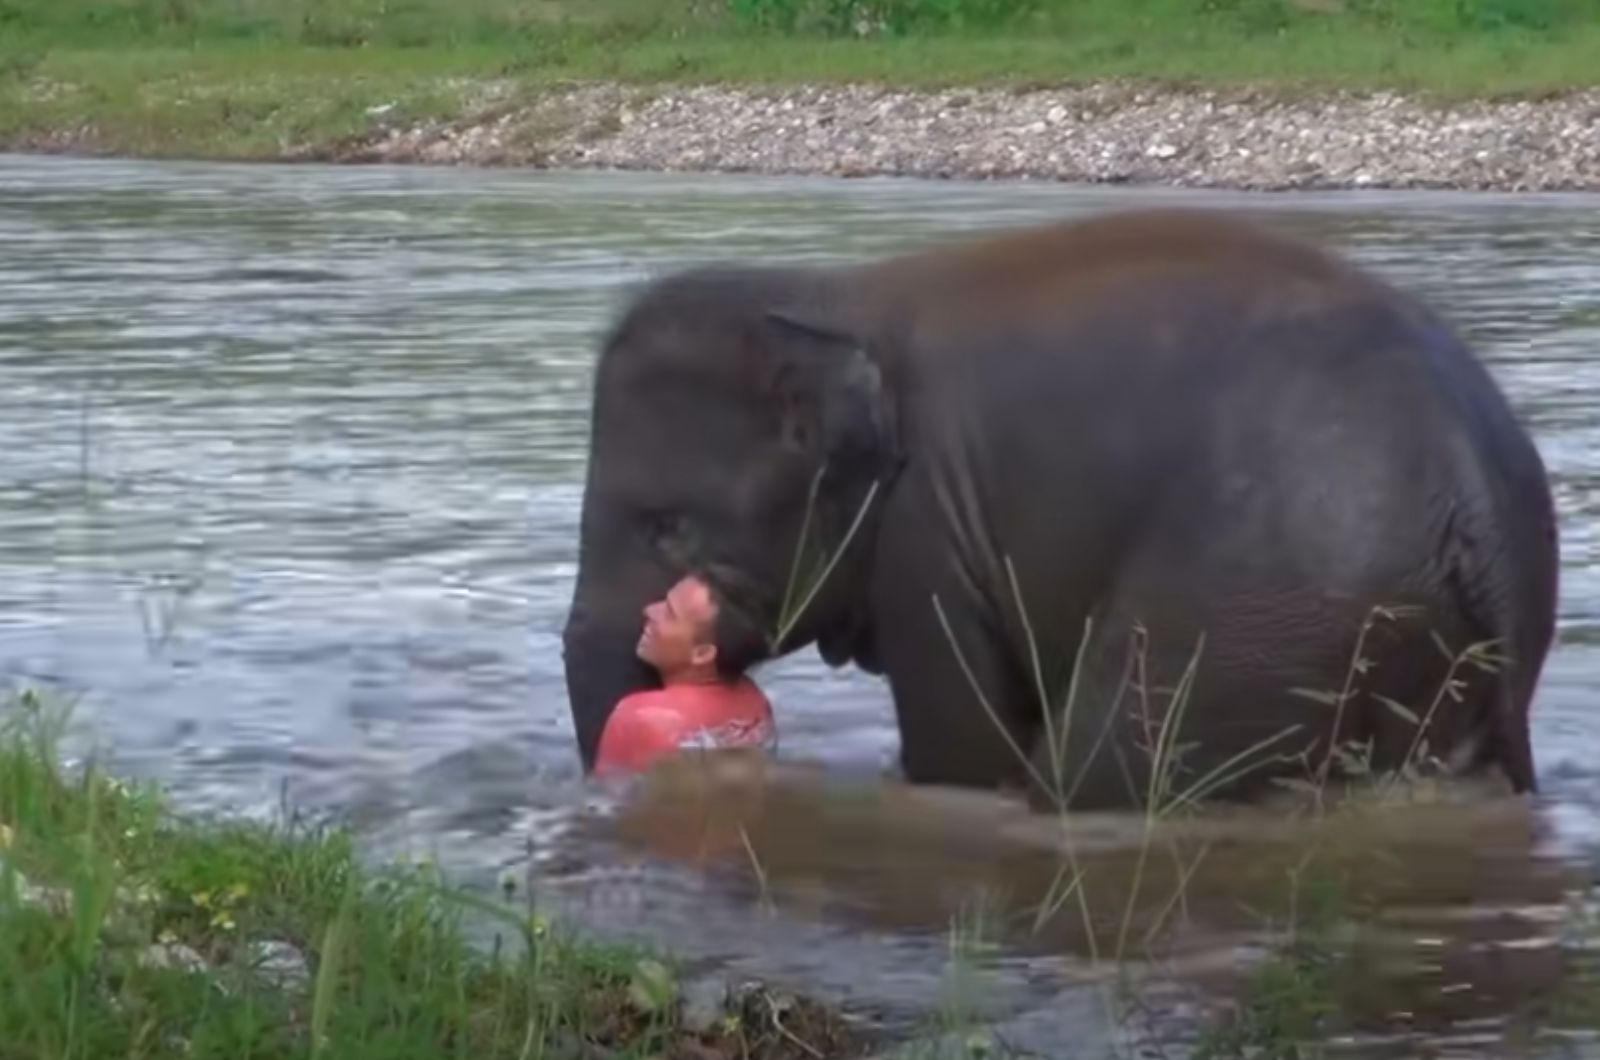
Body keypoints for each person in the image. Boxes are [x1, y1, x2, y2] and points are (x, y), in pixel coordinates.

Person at [593, 572, 777, 776]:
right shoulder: (756, 700)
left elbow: (603, 800)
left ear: (702, 653)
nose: (649, 610)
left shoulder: (641, 715)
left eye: (669, 614)